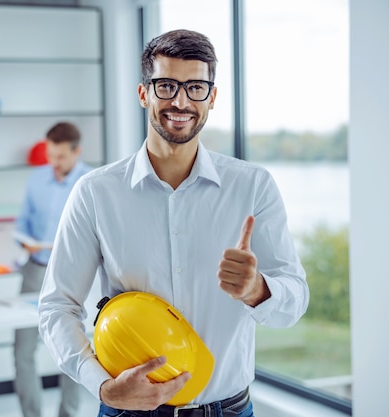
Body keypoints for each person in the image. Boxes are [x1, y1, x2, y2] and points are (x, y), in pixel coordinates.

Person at [38, 29, 310, 417]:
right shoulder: (95, 193)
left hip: (229, 410)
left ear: (212, 98)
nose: (180, 101)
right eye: (166, 85)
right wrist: (102, 387)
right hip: (127, 411)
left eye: (196, 87)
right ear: (143, 93)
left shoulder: (253, 187)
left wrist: (257, 290)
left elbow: (294, 299)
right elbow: (56, 307)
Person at [13, 122, 92, 417]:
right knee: (23, 351)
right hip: (34, 271)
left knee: (74, 347)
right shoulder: (36, 180)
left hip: (74, 275)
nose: (54, 163)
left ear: (76, 152)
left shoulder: (92, 181)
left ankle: (67, 414)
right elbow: (23, 222)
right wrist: (24, 241)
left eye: (60, 157)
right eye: (50, 156)